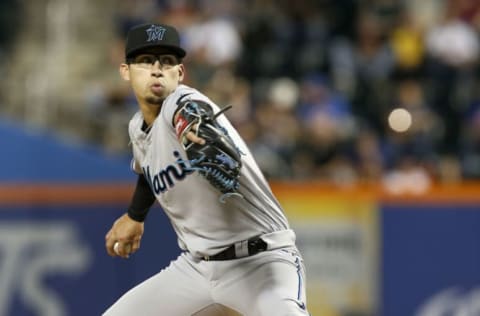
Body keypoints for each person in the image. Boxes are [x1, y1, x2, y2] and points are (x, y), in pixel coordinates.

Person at [103, 23, 310, 316]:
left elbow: (190, 114)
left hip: (261, 261)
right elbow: (148, 166)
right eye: (146, 61)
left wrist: (193, 128)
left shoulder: (185, 102)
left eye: (168, 61)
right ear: (126, 71)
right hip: (197, 269)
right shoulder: (137, 127)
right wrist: (135, 216)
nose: (157, 69)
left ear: (181, 73)